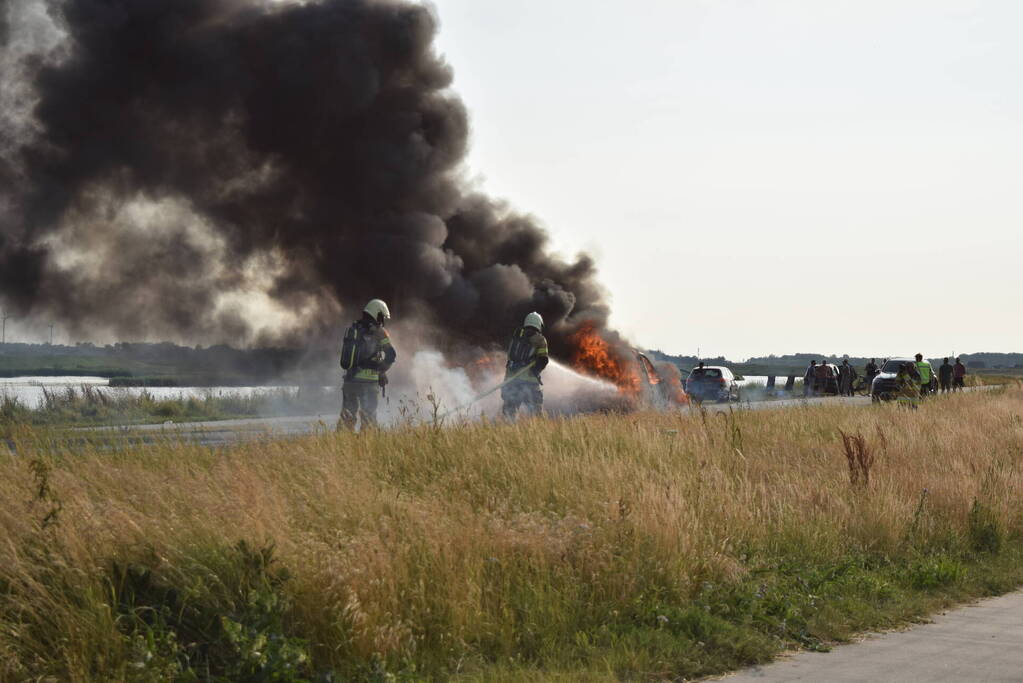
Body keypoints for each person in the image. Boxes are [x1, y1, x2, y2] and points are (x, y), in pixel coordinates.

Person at [338, 299, 396, 431]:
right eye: (381, 316)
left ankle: (341, 446)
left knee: (347, 417)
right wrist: (381, 371)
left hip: (350, 381)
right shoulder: (379, 332)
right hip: (368, 383)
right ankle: (366, 447)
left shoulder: (352, 329)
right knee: (369, 419)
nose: (382, 321)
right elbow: (391, 355)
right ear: (376, 313)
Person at [501, 312, 550, 418]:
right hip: (529, 383)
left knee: (509, 414)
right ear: (538, 324)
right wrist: (535, 369)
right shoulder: (540, 339)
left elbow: (510, 357)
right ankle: (539, 433)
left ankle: (507, 432)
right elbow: (543, 360)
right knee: (536, 414)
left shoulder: (515, 337)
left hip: (511, 381)